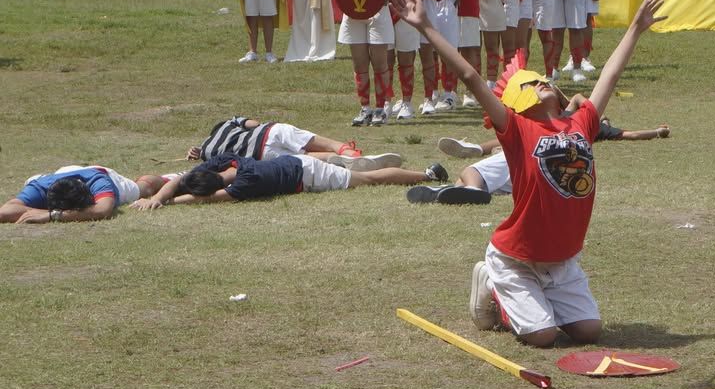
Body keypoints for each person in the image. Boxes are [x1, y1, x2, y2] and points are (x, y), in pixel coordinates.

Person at [390, 0, 666, 348]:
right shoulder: (517, 129)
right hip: (516, 257)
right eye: (534, 83)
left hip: (562, 259)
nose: (544, 83)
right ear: (519, 102)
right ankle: (493, 283)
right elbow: (472, 77)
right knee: (543, 337)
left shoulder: (581, 122)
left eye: (544, 80)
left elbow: (609, 78)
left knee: (588, 332)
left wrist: (635, 28)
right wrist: (425, 26)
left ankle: (539, 300)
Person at [409, 117, 672, 206]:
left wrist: (657, 132)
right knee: (463, 180)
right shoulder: (573, 120)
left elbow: (629, 134)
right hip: (534, 174)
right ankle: (448, 191)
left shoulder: (586, 123)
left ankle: (472, 183)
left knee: (470, 171)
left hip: (532, 157)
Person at [133, 153, 448, 210]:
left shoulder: (242, 186)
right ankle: (344, 157)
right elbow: (186, 178)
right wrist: (160, 196)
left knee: (367, 180)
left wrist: (167, 201)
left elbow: (205, 198)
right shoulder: (230, 161)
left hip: (309, 175)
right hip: (295, 161)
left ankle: (428, 174)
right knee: (360, 173)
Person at [188, 116, 402, 171]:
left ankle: (341, 162)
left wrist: (199, 154)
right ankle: (348, 152)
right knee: (328, 143)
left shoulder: (208, 152)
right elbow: (255, 124)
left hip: (260, 155)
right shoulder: (229, 122)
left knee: (305, 158)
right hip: (271, 132)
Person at [2, 166, 166, 224]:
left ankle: (167, 178)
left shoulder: (99, 183)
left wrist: (51, 215)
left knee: (143, 189)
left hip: (103, 173)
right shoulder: (40, 187)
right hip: (59, 174)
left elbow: (102, 210)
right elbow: (5, 210)